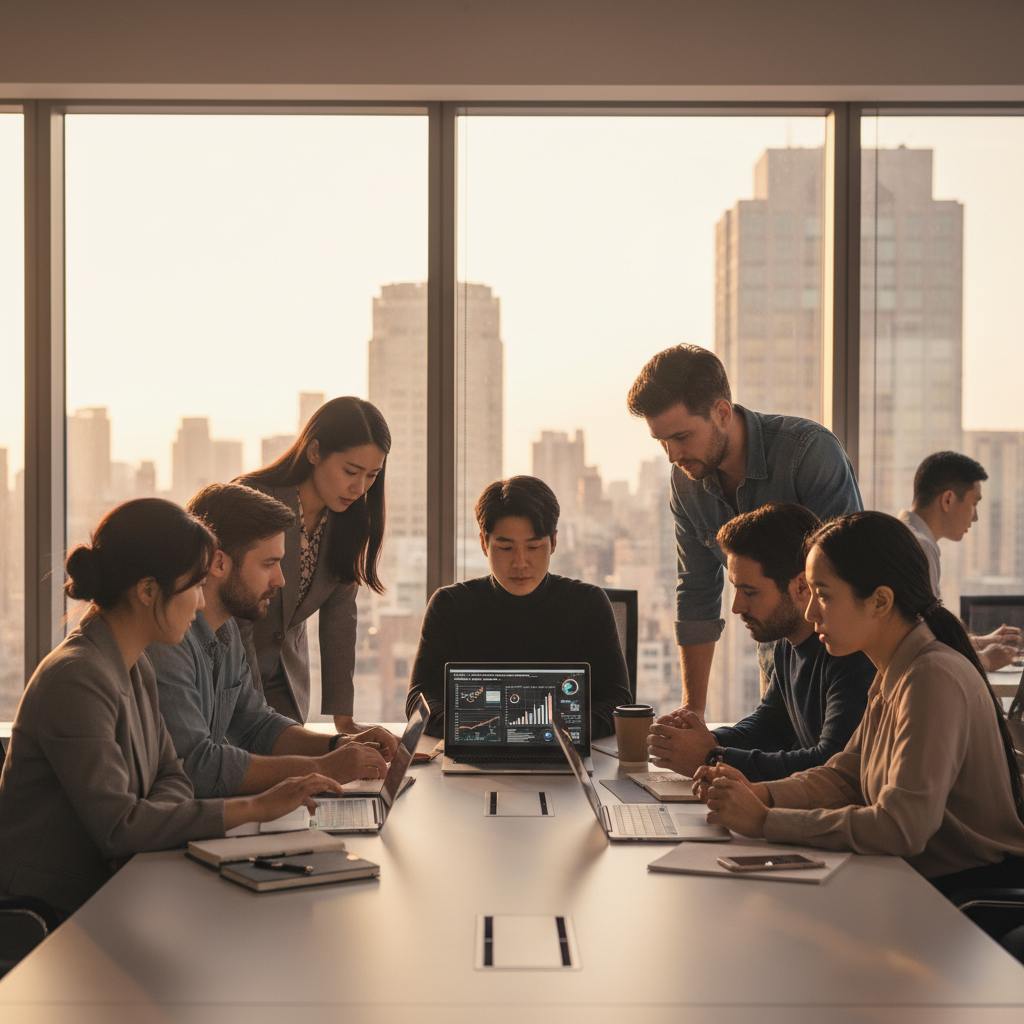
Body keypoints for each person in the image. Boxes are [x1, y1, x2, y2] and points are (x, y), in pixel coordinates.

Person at [0, 499, 340, 918]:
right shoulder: (76, 678)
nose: (201, 603)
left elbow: (172, 775)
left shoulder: (134, 664)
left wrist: (144, 826)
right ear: (146, 591)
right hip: (48, 910)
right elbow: (120, 827)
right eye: (195, 586)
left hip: (116, 887)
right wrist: (256, 806)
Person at [697, 511, 1024, 895]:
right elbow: (845, 777)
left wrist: (767, 820)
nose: (809, 612)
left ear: (880, 602)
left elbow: (900, 828)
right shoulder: (894, 671)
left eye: (823, 595)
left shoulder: (931, 678)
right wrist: (761, 794)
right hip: (912, 883)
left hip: (965, 899)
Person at [627, 344, 863, 718]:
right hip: (776, 660)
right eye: (662, 442)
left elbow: (847, 576)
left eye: (682, 437)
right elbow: (697, 593)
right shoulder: (685, 483)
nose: (672, 455)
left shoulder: (808, 454)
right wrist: (693, 711)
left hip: (842, 662)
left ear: (721, 412)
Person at [147, 484, 396, 799]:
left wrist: (338, 746)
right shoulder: (168, 642)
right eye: (269, 564)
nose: (280, 579)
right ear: (219, 563)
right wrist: (323, 768)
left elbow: (256, 726)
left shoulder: (227, 632)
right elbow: (197, 768)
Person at [647, 503, 875, 782]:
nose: (736, 606)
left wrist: (712, 756)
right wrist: (701, 740)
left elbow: (830, 764)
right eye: (735, 588)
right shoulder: (787, 643)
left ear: (801, 587)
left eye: (750, 592)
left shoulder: (850, 652)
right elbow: (770, 726)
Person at [405, 476, 633, 738]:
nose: (520, 562)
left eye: (534, 546)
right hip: (475, 749)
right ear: (483, 543)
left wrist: (551, 733)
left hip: (564, 753)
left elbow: (618, 701)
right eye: (505, 547)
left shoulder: (588, 603)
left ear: (554, 542)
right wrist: (481, 731)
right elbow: (419, 702)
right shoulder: (450, 606)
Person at [236, 396, 390, 730]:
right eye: (351, 471)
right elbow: (238, 616)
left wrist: (344, 721)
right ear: (314, 451)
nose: (359, 488)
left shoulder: (348, 519)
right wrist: (253, 708)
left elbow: (340, 617)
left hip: (286, 682)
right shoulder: (252, 500)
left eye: (372, 476)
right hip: (231, 676)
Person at [899, 450, 1020, 671]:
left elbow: (926, 630)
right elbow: (926, 641)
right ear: (948, 500)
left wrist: (982, 641)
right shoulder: (919, 546)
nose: (975, 516)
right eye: (974, 503)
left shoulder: (902, 534)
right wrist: (985, 660)